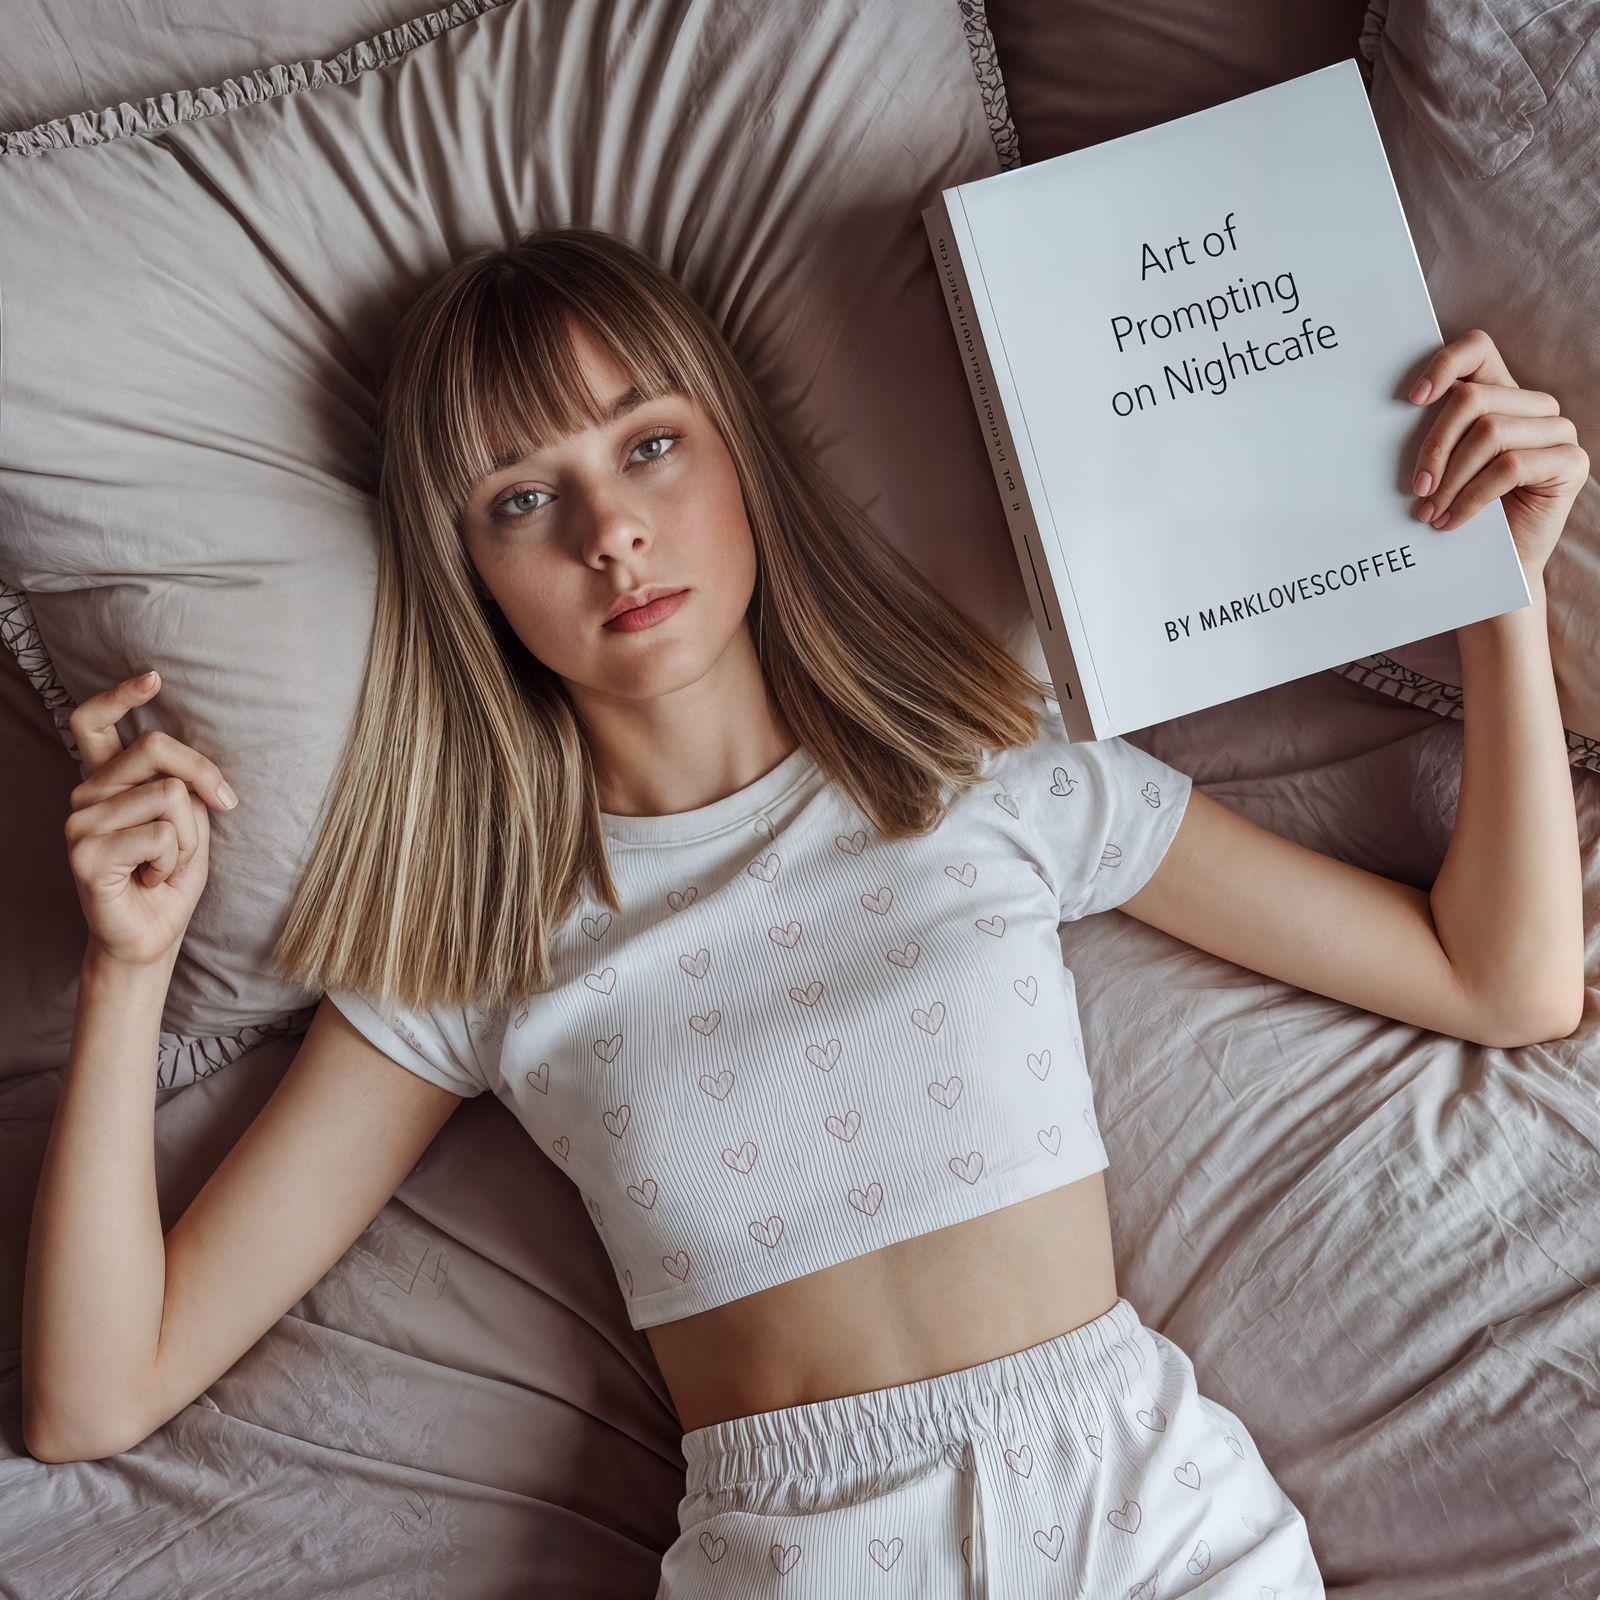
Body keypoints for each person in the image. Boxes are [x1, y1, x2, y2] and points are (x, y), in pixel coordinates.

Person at [25, 227, 1585, 1600]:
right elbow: (93, 1400)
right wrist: (131, 968)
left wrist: (1497, 605)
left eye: (648, 445)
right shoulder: (484, 951)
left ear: (739, 456)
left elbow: (1500, 981)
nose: (608, 534)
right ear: (471, 573)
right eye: (522, 497)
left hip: (1157, 1528)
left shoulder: (997, 781)